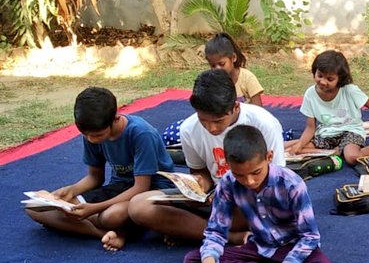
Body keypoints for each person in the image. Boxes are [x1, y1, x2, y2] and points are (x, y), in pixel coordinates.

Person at [184, 125, 337, 263]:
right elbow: (216, 231)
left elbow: (310, 236)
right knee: (194, 262)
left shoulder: (291, 184)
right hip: (259, 247)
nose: (249, 181)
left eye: (256, 172)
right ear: (228, 165)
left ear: (269, 157)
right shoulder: (227, 183)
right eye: (240, 175)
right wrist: (209, 259)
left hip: (292, 246)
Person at [129, 69, 286, 243]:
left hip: (252, 198)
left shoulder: (263, 123)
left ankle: (192, 229)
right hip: (213, 200)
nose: (211, 128)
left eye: (218, 121)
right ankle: (230, 236)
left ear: (235, 107)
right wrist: (198, 186)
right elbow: (201, 172)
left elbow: (276, 178)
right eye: (204, 120)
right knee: (139, 206)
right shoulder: (189, 129)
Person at [26, 87, 174, 251]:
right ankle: (103, 233)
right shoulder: (90, 133)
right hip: (118, 188)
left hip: (151, 191)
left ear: (115, 119)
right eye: (86, 134)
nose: (91, 139)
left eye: (97, 135)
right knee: (35, 207)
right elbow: (95, 178)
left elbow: (140, 187)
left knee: (111, 217)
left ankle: (117, 228)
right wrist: (71, 191)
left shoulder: (141, 134)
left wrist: (93, 209)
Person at [286, 49, 369, 163]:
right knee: (293, 148)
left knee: (352, 158)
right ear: (314, 72)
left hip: (351, 131)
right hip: (326, 134)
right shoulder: (310, 94)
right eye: (319, 76)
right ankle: (336, 150)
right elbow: (310, 128)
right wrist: (301, 144)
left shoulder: (350, 90)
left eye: (330, 79)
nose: (323, 82)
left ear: (340, 79)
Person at [162, 33, 265, 147]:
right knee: (175, 132)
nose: (218, 69)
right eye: (213, 65)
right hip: (217, 126)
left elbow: (258, 110)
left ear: (233, 58)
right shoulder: (210, 81)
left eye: (221, 64)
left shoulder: (247, 78)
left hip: (240, 127)